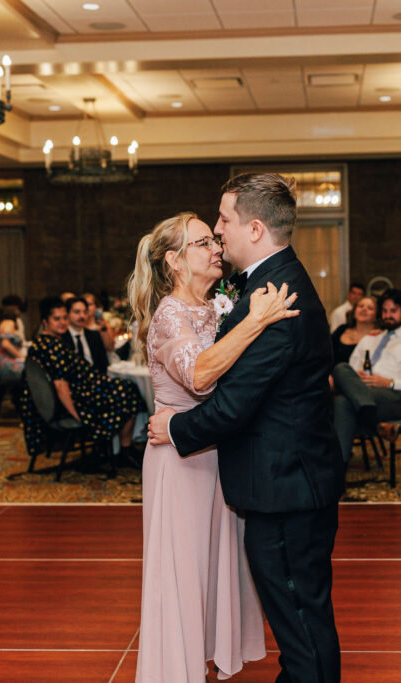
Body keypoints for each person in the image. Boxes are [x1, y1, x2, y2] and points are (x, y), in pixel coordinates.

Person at [148, 172, 345, 682]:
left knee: (300, 622)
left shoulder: (274, 296)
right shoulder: (266, 287)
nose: (219, 232)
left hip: (285, 489)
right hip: (283, 480)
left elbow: (233, 405)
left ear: (254, 229)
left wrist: (175, 429)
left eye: (224, 220)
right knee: (299, 620)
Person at [128, 210, 300, 682]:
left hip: (215, 455)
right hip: (179, 462)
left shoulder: (221, 303)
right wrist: (256, 322)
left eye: (214, 239)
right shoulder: (169, 314)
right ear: (175, 262)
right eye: (203, 242)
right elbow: (201, 374)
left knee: (212, 567)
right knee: (182, 573)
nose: (217, 248)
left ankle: (201, 662)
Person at [17, 296, 142, 466]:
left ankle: (117, 449)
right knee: (128, 390)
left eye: (64, 318)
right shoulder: (49, 345)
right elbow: (60, 385)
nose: (62, 322)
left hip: (86, 388)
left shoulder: (49, 341)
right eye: (56, 319)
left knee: (127, 389)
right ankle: (119, 449)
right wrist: (77, 416)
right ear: (45, 321)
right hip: (78, 399)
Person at [332, 289, 401, 463]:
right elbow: (351, 370)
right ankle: (370, 418)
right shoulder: (370, 339)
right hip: (364, 393)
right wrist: (357, 375)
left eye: (393, 311)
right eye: (385, 311)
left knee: (341, 402)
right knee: (341, 369)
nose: (388, 315)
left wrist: (391, 383)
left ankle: (335, 472)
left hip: (395, 397)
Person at [61, 296, 110, 374]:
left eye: (85, 312)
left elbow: (104, 364)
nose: (82, 316)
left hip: (97, 378)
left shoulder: (94, 336)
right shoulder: (61, 338)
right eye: (77, 312)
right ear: (67, 313)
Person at [331, 295, 378, 365]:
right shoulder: (341, 329)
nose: (364, 309)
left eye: (370, 308)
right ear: (354, 311)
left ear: (376, 315)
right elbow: (325, 355)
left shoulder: (378, 336)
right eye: (361, 306)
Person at [0, 312, 25, 383]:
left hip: (3, 364)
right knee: (36, 368)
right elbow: (5, 344)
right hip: (8, 365)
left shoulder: (1, 324)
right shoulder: (9, 323)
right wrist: (22, 356)